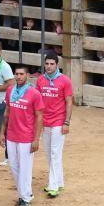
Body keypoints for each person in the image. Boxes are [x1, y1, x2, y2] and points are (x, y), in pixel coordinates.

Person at [0, 65, 44, 206]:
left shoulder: (34, 93)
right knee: (13, 166)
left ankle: (25, 197)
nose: (18, 77)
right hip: (11, 135)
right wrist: (2, 132)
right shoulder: (10, 90)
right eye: (16, 74)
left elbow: (39, 116)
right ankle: (24, 193)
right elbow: (7, 112)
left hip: (26, 136)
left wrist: (36, 139)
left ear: (28, 76)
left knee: (25, 168)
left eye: (21, 74)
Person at [36, 52, 73, 197]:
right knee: (49, 154)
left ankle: (52, 186)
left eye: (52, 64)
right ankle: (59, 182)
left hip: (58, 122)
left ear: (57, 65)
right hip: (45, 122)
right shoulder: (40, 80)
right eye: (47, 64)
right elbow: (37, 101)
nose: (49, 66)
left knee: (55, 153)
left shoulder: (65, 80)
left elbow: (69, 101)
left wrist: (67, 122)